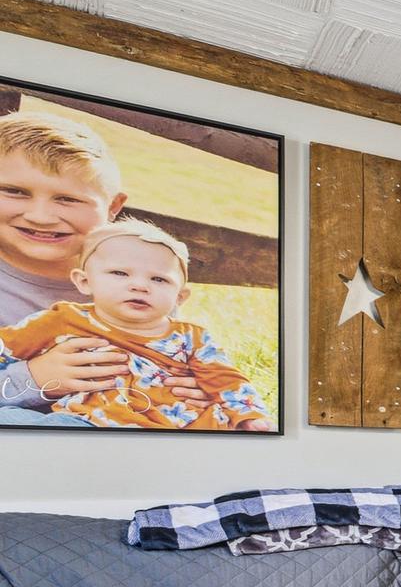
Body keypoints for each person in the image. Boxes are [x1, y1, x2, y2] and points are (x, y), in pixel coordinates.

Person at [0, 112, 205, 424]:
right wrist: (34, 378)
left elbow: (168, 360)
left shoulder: (137, 279)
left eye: (67, 199)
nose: (40, 216)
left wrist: (191, 387)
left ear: (112, 207)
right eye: (14, 191)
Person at [0, 219, 271, 430]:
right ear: (84, 281)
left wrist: (250, 416)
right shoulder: (63, 319)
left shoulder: (191, 338)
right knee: (11, 419)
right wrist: (29, 376)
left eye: (159, 279)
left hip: (183, 428)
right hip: (90, 424)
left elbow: (228, 380)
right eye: (119, 273)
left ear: (180, 296)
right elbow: (6, 347)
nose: (140, 285)